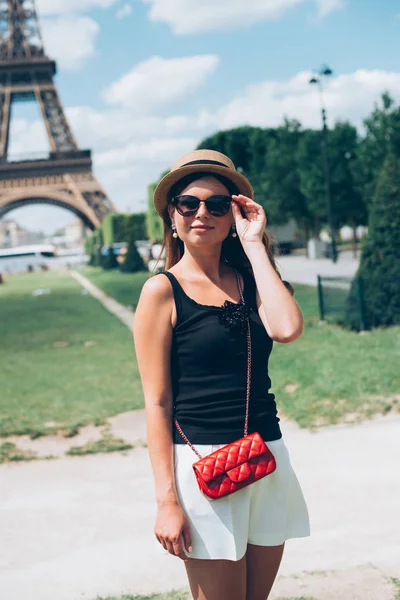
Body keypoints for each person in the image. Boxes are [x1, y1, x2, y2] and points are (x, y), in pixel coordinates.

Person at [133, 149, 310, 600]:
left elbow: (287, 329)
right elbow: (157, 403)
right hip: (203, 465)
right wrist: (166, 500)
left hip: (265, 454)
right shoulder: (161, 291)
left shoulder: (251, 279)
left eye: (217, 204)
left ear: (233, 214)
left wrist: (254, 245)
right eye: (188, 204)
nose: (201, 213)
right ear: (171, 216)